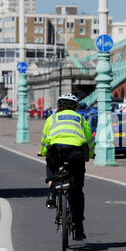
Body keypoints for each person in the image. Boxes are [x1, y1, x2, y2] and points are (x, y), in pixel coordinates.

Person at [40, 94, 95, 240]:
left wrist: (43, 152)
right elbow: (89, 139)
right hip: (76, 154)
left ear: (59, 106)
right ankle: (78, 229)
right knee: (77, 191)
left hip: (56, 152)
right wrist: (91, 154)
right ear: (75, 107)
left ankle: (52, 193)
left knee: (50, 164)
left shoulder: (52, 118)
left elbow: (45, 139)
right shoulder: (80, 119)